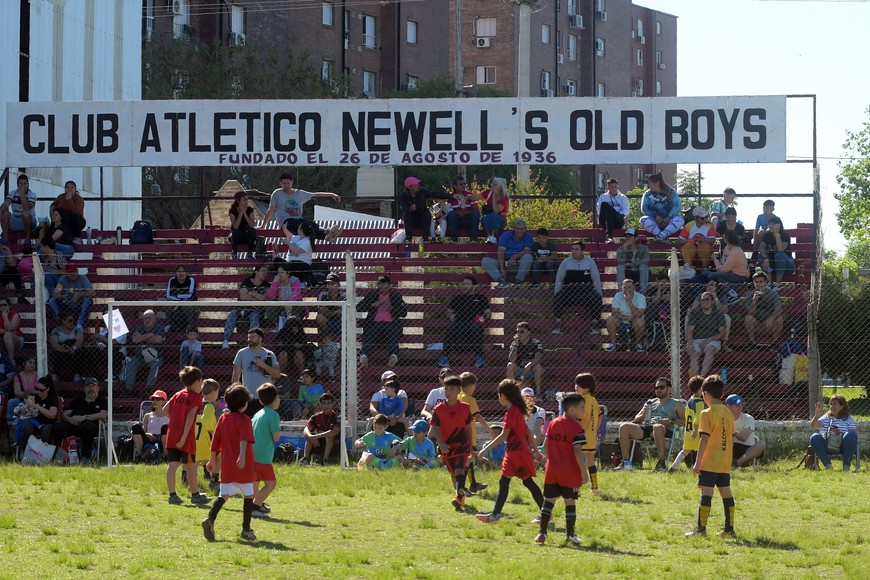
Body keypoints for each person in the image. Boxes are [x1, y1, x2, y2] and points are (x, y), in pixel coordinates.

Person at [476, 379, 545, 523]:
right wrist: (536, 451)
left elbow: (504, 436)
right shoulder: (516, 411)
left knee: (527, 482)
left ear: (503, 395)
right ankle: (495, 515)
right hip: (513, 453)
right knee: (505, 482)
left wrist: (484, 450)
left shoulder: (512, 412)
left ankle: (546, 513)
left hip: (518, 453)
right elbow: (527, 432)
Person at [203, 383, 257, 542]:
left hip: (226, 464)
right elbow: (244, 439)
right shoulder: (245, 419)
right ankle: (246, 530)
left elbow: (215, 441)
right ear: (244, 403)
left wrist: (212, 460)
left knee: (224, 494)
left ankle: (210, 519)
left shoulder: (223, 418)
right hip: (243, 464)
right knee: (249, 495)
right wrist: (241, 456)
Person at [534, 393, 588, 546]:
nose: (583, 411)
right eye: (581, 408)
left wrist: (551, 459)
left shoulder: (553, 423)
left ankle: (542, 532)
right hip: (569, 471)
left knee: (548, 502)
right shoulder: (576, 428)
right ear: (571, 410)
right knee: (569, 502)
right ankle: (570, 535)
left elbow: (545, 447)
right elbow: (577, 451)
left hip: (552, 470)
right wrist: (583, 472)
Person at [686, 375, 736, 538]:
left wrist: (698, 462)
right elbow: (730, 437)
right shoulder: (728, 413)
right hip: (724, 462)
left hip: (710, 462)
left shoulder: (706, 414)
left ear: (706, 394)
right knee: (726, 494)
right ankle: (729, 529)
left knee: (706, 494)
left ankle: (701, 529)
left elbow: (704, 439)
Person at [616, 378, 685, 471]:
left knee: (657, 427)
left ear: (669, 389)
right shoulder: (650, 402)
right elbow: (636, 420)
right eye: (656, 388)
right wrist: (643, 414)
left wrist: (670, 420)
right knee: (624, 427)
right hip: (648, 428)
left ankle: (661, 463)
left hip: (665, 429)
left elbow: (685, 420)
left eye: (661, 387)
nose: (658, 390)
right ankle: (626, 464)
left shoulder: (676, 403)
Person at [166, 366, 211, 506]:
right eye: (202, 382)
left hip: (171, 434)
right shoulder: (196, 398)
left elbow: (164, 409)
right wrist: (184, 436)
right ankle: (195, 495)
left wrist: (174, 422)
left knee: (172, 465)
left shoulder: (178, 394)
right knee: (191, 466)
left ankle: (172, 495)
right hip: (185, 438)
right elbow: (191, 417)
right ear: (197, 382)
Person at [430, 375, 474, 509]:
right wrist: (441, 443)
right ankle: (460, 495)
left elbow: (468, 427)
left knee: (459, 469)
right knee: (453, 473)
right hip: (447, 446)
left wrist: (471, 445)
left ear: (459, 390)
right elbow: (435, 427)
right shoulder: (438, 409)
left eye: (452, 389)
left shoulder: (465, 408)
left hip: (462, 444)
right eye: (446, 389)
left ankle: (458, 497)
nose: (448, 392)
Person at [261, 172, 341, 243]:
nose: (286, 185)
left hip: (298, 221)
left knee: (310, 224)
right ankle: (326, 234)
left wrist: (331, 194)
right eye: (284, 183)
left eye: (288, 183)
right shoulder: (277, 194)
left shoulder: (299, 193)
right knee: (304, 225)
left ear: (292, 182)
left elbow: (315, 194)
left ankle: (326, 234)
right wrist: (263, 226)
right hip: (285, 223)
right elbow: (271, 210)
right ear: (280, 183)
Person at [439, 274, 491, 369]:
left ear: (474, 286)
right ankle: (444, 358)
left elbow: (488, 312)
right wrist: (451, 316)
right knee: (450, 330)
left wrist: (483, 317)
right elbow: (449, 312)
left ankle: (479, 359)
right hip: (459, 322)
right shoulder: (457, 298)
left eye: (467, 284)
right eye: (463, 284)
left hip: (474, 322)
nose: (464, 286)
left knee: (476, 329)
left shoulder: (481, 298)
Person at [551, 240, 602, 335]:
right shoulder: (566, 262)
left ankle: (594, 325)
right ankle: (558, 324)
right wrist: (556, 294)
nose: (574, 251)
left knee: (597, 298)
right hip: (569, 292)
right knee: (558, 297)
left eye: (577, 249)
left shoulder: (590, 262)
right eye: (572, 249)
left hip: (585, 292)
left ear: (583, 251)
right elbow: (559, 280)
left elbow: (596, 280)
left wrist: (599, 293)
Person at [356, 274, 407, 368]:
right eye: (381, 286)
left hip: (391, 324)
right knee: (370, 335)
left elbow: (404, 313)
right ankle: (364, 356)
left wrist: (391, 307)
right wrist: (372, 305)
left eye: (386, 286)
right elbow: (358, 307)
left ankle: (393, 356)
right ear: (378, 286)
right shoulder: (372, 295)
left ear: (389, 286)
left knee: (393, 334)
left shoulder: (395, 296)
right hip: (374, 324)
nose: (383, 288)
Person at [231, 328, 281, 417]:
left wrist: (264, 365)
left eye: (253, 337)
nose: (249, 340)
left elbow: (277, 374)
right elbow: (235, 376)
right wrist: (236, 394)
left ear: (260, 339)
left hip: (266, 398)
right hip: (248, 397)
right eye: (249, 337)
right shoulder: (241, 353)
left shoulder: (269, 354)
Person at [458, 371, 493, 493]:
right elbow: (478, 417)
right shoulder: (470, 399)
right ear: (471, 386)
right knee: (467, 460)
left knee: (469, 458)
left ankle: (473, 484)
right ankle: (461, 487)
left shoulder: (458, 396)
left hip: (458, 434)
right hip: (469, 435)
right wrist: (490, 430)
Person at [251, 383, 281, 518]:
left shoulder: (258, 414)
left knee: (256, 482)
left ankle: (258, 503)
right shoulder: (273, 415)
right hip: (263, 455)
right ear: (275, 399)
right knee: (270, 484)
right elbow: (276, 437)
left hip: (253, 453)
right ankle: (255, 506)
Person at [59, 376, 107, 461]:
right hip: (74, 425)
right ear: (84, 388)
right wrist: (70, 420)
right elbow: (65, 414)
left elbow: (103, 415)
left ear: (98, 388)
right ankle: (58, 454)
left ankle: (86, 455)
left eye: (93, 386)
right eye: (88, 386)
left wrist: (84, 418)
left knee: (87, 425)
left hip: (91, 428)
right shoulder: (78, 400)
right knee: (57, 426)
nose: (91, 388)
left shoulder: (102, 401)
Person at [222, 265, 270, 349]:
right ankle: (225, 341)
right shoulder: (247, 281)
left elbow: (263, 299)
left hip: (256, 309)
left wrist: (251, 293)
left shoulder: (267, 285)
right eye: (263, 271)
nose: (265, 273)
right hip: (241, 308)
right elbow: (243, 297)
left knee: (254, 317)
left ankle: (253, 343)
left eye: (266, 272)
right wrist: (257, 296)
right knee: (232, 315)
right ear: (256, 272)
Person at [809, 394, 859, 471]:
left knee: (851, 434)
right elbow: (814, 425)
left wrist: (840, 433)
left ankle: (846, 466)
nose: (832, 406)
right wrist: (817, 416)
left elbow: (853, 436)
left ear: (842, 406)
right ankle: (828, 466)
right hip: (827, 444)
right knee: (814, 437)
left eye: (835, 404)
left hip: (842, 446)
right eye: (831, 404)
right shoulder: (826, 417)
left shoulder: (848, 419)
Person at [668, 375, 705, 472]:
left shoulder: (690, 400)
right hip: (695, 431)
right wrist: (696, 431)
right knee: (702, 449)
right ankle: (700, 468)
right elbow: (698, 418)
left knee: (686, 450)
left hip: (687, 431)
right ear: (701, 388)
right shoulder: (699, 403)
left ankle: (674, 467)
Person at [481, 219, 534, 288]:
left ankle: (518, 282)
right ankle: (502, 281)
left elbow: (527, 250)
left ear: (525, 229)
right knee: (485, 261)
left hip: (518, 264)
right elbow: (501, 250)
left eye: (522, 229)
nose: (520, 231)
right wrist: (502, 268)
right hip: (503, 263)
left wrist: (514, 257)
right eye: (517, 228)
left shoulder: (528, 237)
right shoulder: (506, 235)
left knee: (528, 257)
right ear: (514, 228)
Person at [398, 176, 451, 243]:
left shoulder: (423, 192)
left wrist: (450, 196)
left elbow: (434, 194)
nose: (418, 185)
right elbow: (403, 206)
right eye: (416, 184)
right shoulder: (403, 195)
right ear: (410, 187)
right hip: (412, 221)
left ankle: (425, 238)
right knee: (406, 215)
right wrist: (410, 209)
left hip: (422, 219)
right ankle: (409, 237)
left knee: (427, 213)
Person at [124, 309, 167, 393]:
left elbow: (158, 340)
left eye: (149, 318)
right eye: (145, 318)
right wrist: (149, 336)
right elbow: (135, 339)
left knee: (156, 364)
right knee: (132, 363)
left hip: (155, 357)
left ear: (154, 319)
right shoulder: (139, 328)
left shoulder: (160, 329)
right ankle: (128, 389)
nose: (147, 320)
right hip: (139, 357)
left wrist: (142, 337)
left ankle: (148, 388)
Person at [572, 373, 601, 495]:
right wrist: (594, 430)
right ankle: (594, 488)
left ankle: (577, 489)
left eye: (579, 385)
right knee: (590, 461)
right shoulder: (593, 400)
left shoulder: (581, 400)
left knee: (577, 461)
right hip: (591, 436)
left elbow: (578, 417)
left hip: (580, 436)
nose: (576, 387)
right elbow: (600, 416)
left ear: (587, 388)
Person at [14, 375, 61, 449]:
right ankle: (23, 450)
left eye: (41, 390)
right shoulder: (34, 397)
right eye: (37, 389)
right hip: (35, 422)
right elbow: (24, 405)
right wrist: (22, 410)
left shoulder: (53, 399)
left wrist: (37, 406)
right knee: (27, 425)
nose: (38, 391)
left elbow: (52, 415)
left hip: (48, 423)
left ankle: (40, 452)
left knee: (47, 428)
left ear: (47, 389)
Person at [685, 291, 726, 377]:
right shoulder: (695, 313)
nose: (704, 302)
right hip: (696, 340)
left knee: (710, 349)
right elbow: (690, 331)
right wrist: (690, 344)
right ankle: (695, 380)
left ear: (712, 301)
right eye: (702, 300)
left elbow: (722, 333)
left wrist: (708, 340)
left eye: (707, 299)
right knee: (694, 353)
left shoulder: (718, 314)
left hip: (712, 340)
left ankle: (702, 377)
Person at [743, 270, 783, 350]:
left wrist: (772, 317)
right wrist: (754, 301)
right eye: (756, 282)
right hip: (756, 325)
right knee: (748, 318)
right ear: (753, 283)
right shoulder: (749, 294)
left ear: (765, 282)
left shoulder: (772, 293)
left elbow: (779, 309)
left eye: (761, 281)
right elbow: (751, 313)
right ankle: (752, 344)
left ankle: (774, 344)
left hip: (770, 325)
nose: (758, 284)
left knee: (779, 318)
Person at [605, 278, 647, 352]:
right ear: (622, 288)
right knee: (610, 319)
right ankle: (613, 344)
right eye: (624, 287)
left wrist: (629, 301)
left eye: (629, 287)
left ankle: (638, 344)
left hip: (634, 323)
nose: (626, 289)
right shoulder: (618, 295)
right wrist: (627, 318)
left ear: (634, 288)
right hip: (621, 321)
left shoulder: (641, 297)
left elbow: (639, 315)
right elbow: (614, 313)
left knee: (640, 322)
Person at [725, 394, 767, 468]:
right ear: (728, 406)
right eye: (737, 405)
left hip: (746, 449)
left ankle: (736, 463)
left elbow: (744, 438)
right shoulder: (723, 418)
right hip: (729, 447)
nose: (740, 407)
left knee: (761, 444)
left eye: (741, 405)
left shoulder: (748, 418)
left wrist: (731, 429)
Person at [639, 172, 684, 241]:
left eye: (650, 182)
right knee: (643, 220)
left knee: (680, 220)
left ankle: (661, 236)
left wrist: (668, 218)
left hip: (669, 221)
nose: (649, 185)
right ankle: (662, 236)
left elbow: (677, 206)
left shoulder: (671, 192)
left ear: (657, 183)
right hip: (654, 222)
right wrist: (655, 216)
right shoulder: (647, 194)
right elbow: (644, 209)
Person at [49, 263, 94, 330]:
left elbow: (93, 293)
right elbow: (56, 293)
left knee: (88, 299)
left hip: (79, 304)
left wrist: (79, 295)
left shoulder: (83, 278)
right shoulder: (63, 279)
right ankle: (62, 322)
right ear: (66, 273)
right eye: (70, 272)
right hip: (67, 303)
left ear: (77, 271)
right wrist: (62, 296)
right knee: (52, 301)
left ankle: (79, 324)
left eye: (74, 272)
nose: (72, 274)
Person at [301, 392, 341, 465]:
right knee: (309, 436)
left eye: (328, 403)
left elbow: (335, 431)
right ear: (320, 405)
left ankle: (325, 460)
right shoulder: (315, 417)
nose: (326, 406)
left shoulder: (337, 417)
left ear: (332, 404)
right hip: (317, 444)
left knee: (329, 436)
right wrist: (311, 437)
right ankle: (306, 459)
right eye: (324, 403)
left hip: (332, 446)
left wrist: (318, 436)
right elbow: (306, 429)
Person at [194, 379, 220, 490]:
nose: (217, 396)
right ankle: (214, 480)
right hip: (204, 438)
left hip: (195, 437)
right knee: (217, 457)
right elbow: (207, 421)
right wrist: (214, 434)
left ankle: (188, 479)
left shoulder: (197, 404)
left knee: (196, 460)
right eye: (217, 393)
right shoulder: (209, 407)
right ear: (212, 393)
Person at [131, 389, 169, 460]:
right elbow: (143, 430)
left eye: (157, 399)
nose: (154, 401)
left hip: (162, 438)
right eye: (153, 399)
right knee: (135, 427)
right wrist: (147, 434)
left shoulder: (169, 415)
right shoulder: (147, 415)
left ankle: (165, 456)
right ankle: (140, 456)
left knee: (165, 427)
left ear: (164, 401)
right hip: (149, 438)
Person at [506, 322, 544, 392]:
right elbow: (511, 359)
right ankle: (512, 393)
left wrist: (529, 365)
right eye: (517, 332)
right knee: (510, 365)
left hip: (531, 370)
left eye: (522, 331)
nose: (519, 334)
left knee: (537, 366)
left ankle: (538, 393)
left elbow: (539, 357)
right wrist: (516, 346)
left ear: (528, 333)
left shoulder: (535, 342)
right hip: (519, 370)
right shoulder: (514, 343)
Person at [758, 216, 795, 285]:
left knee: (779, 254)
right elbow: (761, 247)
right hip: (773, 264)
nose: (770, 226)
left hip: (787, 266)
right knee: (761, 256)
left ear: (779, 225)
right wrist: (765, 257)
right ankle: (770, 283)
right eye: (770, 224)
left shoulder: (785, 235)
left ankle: (777, 284)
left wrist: (776, 235)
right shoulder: (767, 235)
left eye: (773, 224)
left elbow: (781, 249)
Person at [0, 173, 36, 243]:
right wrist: (1, 211)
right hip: (16, 220)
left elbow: (26, 208)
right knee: (4, 213)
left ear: (28, 185)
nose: (23, 186)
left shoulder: (32, 194)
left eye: (25, 184)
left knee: (25, 213)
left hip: (29, 221)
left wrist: (22, 194)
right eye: (21, 184)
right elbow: (6, 203)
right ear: (17, 185)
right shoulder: (12, 193)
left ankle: (28, 238)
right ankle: (5, 239)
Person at [679, 206, 717, 271]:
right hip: (690, 250)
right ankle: (687, 268)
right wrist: (690, 240)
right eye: (702, 218)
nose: (705, 219)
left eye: (706, 217)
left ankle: (705, 268)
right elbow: (680, 241)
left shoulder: (710, 225)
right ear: (696, 218)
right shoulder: (689, 225)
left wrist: (703, 240)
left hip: (704, 250)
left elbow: (712, 240)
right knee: (688, 246)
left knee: (704, 246)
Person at [49, 312, 85, 380]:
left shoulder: (76, 329)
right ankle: (56, 375)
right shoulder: (56, 330)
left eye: (73, 321)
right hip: (62, 351)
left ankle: (77, 374)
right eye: (69, 321)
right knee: (56, 354)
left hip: (74, 351)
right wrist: (67, 350)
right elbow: (55, 344)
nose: (72, 323)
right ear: (63, 321)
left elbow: (80, 340)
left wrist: (73, 348)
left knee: (80, 352)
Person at [445, 174, 480, 242]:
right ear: (455, 186)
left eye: (464, 184)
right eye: (461, 184)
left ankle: (474, 239)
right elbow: (447, 212)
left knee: (475, 213)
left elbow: (476, 210)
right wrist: (462, 212)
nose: (463, 186)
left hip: (467, 221)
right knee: (451, 214)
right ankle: (454, 239)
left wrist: (463, 212)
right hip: (455, 222)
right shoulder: (450, 197)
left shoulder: (470, 195)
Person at [165, 265, 198, 333]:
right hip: (175, 305)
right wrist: (179, 301)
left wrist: (177, 296)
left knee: (186, 302)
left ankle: (190, 325)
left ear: (186, 273)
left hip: (190, 306)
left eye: (183, 271)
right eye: (179, 271)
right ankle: (169, 324)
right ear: (176, 273)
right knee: (168, 302)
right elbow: (168, 295)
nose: (181, 273)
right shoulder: (172, 280)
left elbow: (190, 295)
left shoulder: (191, 280)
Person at [596, 178, 630, 242]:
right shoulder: (603, 197)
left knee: (609, 212)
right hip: (605, 222)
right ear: (608, 187)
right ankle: (609, 235)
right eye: (612, 187)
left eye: (615, 187)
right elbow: (599, 210)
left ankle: (609, 236)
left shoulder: (623, 197)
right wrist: (612, 212)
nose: (614, 189)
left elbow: (626, 211)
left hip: (618, 221)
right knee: (604, 205)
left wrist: (614, 213)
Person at [616, 228, 650, 293]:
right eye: (626, 236)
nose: (628, 238)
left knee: (643, 267)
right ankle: (622, 293)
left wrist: (632, 264)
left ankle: (642, 295)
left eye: (630, 236)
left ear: (636, 238)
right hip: (627, 273)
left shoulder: (644, 248)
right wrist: (624, 249)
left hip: (639, 273)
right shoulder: (621, 249)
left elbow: (645, 261)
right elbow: (620, 262)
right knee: (620, 267)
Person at [478, 177, 510, 244]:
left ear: (500, 187)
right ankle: (489, 236)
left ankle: (493, 235)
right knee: (484, 219)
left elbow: (496, 210)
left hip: (500, 219)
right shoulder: (489, 192)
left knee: (494, 215)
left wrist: (494, 198)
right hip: (489, 217)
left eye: (495, 185)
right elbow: (476, 197)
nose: (492, 186)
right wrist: (467, 196)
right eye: (493, 184)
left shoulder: (504, 198)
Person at [315, 273, 346, 339]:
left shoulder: (344, 295)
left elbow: (343, 312)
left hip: (340, 323)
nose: (330, 286)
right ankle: (328, 338)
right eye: (328, 284)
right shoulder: (322, 295)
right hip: (326, 322)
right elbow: (320, 310)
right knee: (319, 317)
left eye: (333, 284)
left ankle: (329, 339)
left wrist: (327, 311)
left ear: (338, 285)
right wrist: (336, 312)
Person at [228, 190, 258, 258]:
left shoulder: (250, 210)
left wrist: (244, 212)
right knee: (235, 231)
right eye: (244, 200)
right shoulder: (232, 210)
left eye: (247, 199)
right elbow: (235, 226)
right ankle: (234, 253)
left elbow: (252, 225)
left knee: (252, 230)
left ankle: (249, 253)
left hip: (246, 235)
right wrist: (241, 213)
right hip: (236, 237)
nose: (246, 201)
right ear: (238, 201)